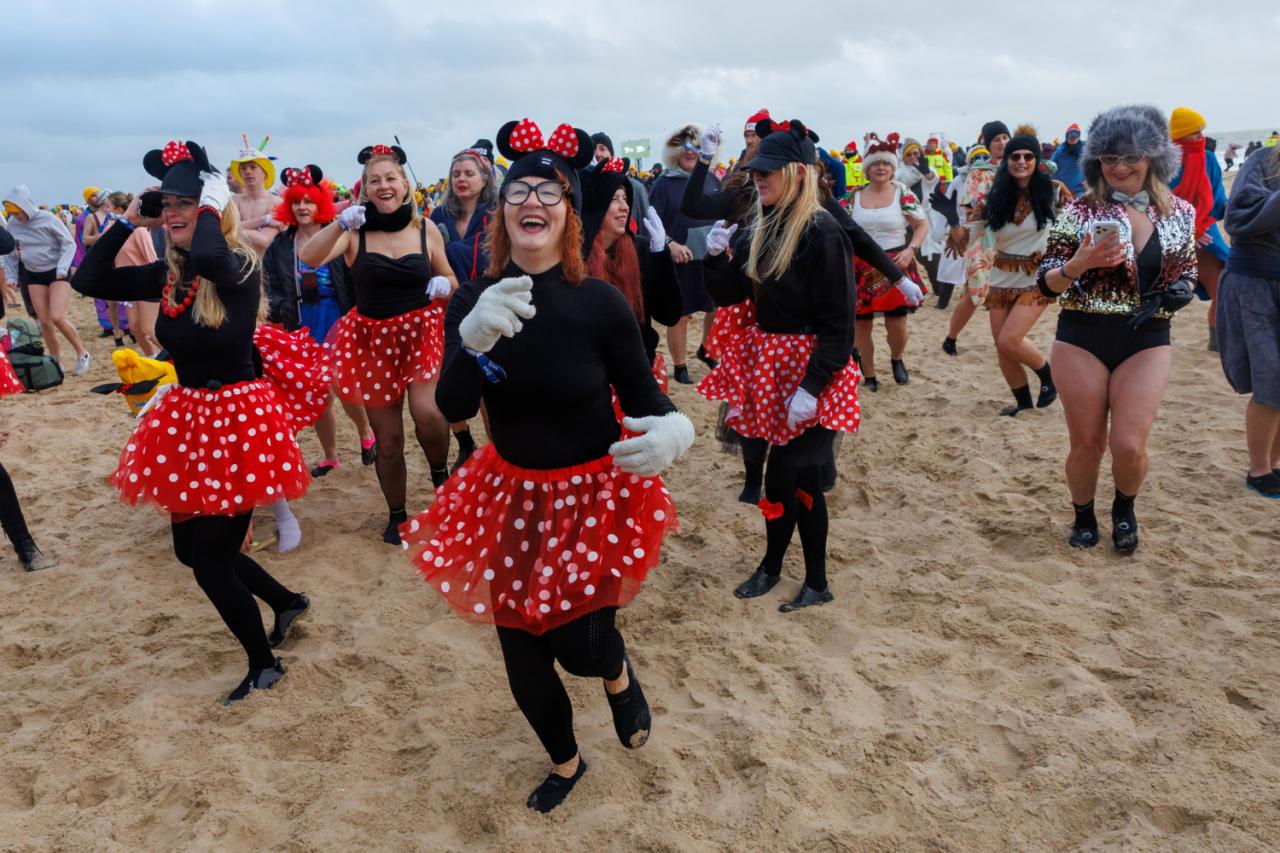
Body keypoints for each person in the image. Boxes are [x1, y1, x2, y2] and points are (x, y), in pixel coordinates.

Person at [406, 119, 694, 813]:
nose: (532, 201)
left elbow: (648, 396)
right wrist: (470, 342)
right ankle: (566, 763)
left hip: (590, 494)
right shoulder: (477, 297)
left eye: (550, 192)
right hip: (507, 493)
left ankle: (617, 673)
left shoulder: (597, 303)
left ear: (568, 214)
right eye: (519, 191)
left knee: (582, 643)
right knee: (523, 651)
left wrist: (675, 431)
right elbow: (451, 406)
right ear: (504, 212)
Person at [71, 140, 311, 704]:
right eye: (166, 204)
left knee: (209, 563)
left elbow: (209, 256)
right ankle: (287, 602)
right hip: (186, 420)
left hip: (237, 425)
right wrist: (130, 219)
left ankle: (263, 663)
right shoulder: (165, 274)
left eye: (183, 203)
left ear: (209, 208)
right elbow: (88, 281)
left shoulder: (237, 265)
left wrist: (204, 204)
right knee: (191, 552)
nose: (171, 213)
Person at [697, 119, 860, 610]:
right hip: (771, 367)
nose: (757, 178)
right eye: (755, 171)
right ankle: (813, 580)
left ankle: (774, 567)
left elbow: (840, 322)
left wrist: (812, 386)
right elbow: (728, 294)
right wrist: (713, 260)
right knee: (804, 480)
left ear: (795, 172)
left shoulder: (822, 230)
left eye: (766, 171)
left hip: (814, 371)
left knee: (784, 476)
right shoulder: (760, 225)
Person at [1036, 105, 1197, 551]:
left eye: (1131, 158)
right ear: (1096, 162)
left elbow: (1187, 270)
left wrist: (1180, 290)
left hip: (1147, 338)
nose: (1120, 168)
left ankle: (1124, 509)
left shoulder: (1179, 210)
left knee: (1128, 445)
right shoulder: (1079, 210)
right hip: (1081, 337)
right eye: (1109, 159)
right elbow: (1046, 283)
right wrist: (1078, 263)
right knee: (1087, 443)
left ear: (1153, 159)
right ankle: (1083, 513)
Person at [298, 144, 457, 544]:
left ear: (404, 185)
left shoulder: (426, 229)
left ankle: (441, 477)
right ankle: (397, 514)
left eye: (390, 178)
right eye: (375, 180)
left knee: (429, 413)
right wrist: (338, 224)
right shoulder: (354, 232)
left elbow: (452, 280)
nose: (383, 185)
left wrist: (444, 285)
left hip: (421, 333)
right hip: (372, 342)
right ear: (364, 190)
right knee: (387, 441)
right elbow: (310, 256)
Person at [262, 164, 376, 477]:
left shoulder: (338, 233)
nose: (301, 207)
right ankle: (331, 456)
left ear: (320, 204)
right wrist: (281, 311)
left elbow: (355, 276)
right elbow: (270, 285)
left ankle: (366, 432)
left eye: (308, 201)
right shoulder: (281, 245)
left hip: (336, 316)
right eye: (296, 202)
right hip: (300, 321)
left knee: (341, 383)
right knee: (316, 395)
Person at [968, 135, 1059, 415]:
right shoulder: (995, 197)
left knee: (1010, 340)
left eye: (1028, 156)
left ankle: (1048, 376)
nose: (1021, 162)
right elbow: (975, 235)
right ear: (1006, 161)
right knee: (1002, 348)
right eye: (1015, 156)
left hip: (1036, 278)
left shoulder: (1053, 192)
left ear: (1036, 160)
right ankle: (1023, 404)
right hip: (1000, 278)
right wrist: (960, 230)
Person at [1216, 141, 1280, 497]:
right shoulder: (1263, 161)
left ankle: (1275, 464)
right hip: (1254, 281)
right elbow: (1238, 219)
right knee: (1269, 375)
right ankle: (1259, 469)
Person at [582, 156, 682, 382]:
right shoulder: (577, 255)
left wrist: (660, 257)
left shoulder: (641, 248)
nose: (624, 206)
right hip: (592, 374)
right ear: (596, 206)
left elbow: (669, 314)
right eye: (614, 198)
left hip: (638, 367)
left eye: (626, 198)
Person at [848, 133, 927, 389]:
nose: (881, 168)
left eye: (886, 164)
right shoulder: (853, 196)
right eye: (875, 164)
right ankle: (869, 375)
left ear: (892, 168)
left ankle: (896, 358)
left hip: (896, 263)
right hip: (860, 267)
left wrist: (912, 249)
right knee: (861, 327)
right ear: (867, 169)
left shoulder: (902, 193)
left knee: (897, 325)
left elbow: (921, 224)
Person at [647, 124, 721, 384]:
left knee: (715, 308)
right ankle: (679, 365)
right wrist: (670, 244)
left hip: (711, 259)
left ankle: (706, 350)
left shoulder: (712, 178)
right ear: (675, 151)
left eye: (697, 147)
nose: (691, 153)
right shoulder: (664, 183)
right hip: (680, 260)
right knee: (681, 313)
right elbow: (651, 221)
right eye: (686, 148)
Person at [1, 185, 91, 374]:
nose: (17, 217)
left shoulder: (47, 218)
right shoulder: (13, 224)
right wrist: (11, 276)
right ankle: (56, 362)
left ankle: (82, 354)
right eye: (14, 213)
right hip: (34, 273)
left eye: (19, 213)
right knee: (44, 321)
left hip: (57, 271)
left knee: (57, 316)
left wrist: (63, 267)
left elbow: (68, 243)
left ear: (26, 206)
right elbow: (9, 252)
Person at [942, 121, 1009, 356]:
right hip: (984, 239)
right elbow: (973, 210)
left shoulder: (1022, 166)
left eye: (1004, 137)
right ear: (988, 145)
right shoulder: (979, 173)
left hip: (1016, 241)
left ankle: (1004, 344)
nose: (1002, 143)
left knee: (1006, 293)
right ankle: (951, 338)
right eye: (996, 139)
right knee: (975, 293)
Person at [1169, 107, 1230, 351]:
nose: (1201, 136)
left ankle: (1217, 341)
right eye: (1195, 132)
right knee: (1161, 292)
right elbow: (1158, 201)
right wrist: (1187, 230)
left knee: (1223, 287)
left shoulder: (1209, 158)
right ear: (1182, 134)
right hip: (1172, 233)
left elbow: (1217, 198)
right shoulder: (1164, 162)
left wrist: (1204, 224)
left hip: (1206, 230)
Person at [230, 143, 282, 257]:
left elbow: (263, 241)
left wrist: (234, 229)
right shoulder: (234, 202)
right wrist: (265, 220)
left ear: (264, 172)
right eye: (243, 168)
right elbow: (223, 230)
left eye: (253, 167)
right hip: (238, 269)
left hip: (267, 270)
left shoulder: (277, 203)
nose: (248, 172)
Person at [1050, 124, 1086, 195]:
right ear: (1066, 136)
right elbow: (1051, 169)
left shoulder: (1085, 152)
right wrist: (1057, 184)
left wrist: (1088, 181)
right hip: (1063, 192)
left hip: (1081, 192)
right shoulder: (1059, 153)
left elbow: (1093, 168)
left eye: (1076, 134)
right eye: (1071, 134)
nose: (1073, 137)